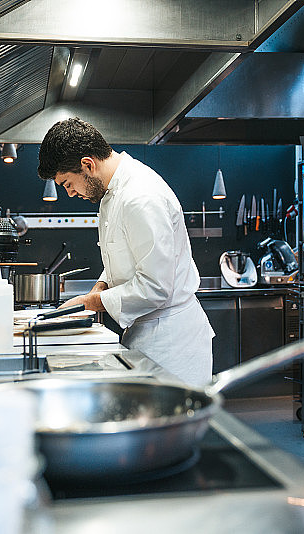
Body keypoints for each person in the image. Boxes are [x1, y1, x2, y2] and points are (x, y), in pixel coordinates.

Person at [37, 117, 214, 385]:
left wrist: (91, 303)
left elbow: (155, 286)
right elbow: (126, 256)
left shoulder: (141, 196)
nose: (70, 194)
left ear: (88, 165)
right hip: (145, 333)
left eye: (67, 184)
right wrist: (100, 286)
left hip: (172, 345)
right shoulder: (111, 193)